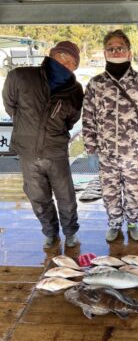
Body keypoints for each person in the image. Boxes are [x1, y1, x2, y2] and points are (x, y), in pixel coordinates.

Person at [2, 41, 84, 249]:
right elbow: (10, 105)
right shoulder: (20, 76)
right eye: (62, 57)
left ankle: (70, 232)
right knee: (38, 197)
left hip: (56, 151)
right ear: (51, 55)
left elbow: (72, 119)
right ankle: (50, 232)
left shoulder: (75, 89)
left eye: (71, 61)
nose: (65, 63)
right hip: (28, 152)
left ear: (76, 66)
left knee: (66, 196)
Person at [82, 29, 138, 242]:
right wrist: (91, 150)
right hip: (106, 154)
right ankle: (114, 223)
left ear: (129, 52)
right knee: (109, 191)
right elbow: (88, 119)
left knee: (135, 192)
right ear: (105, 53)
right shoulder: (95, 84)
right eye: (111, 49)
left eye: (120, 48)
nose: (116, 52)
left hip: (134, 153)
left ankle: (133, 221)